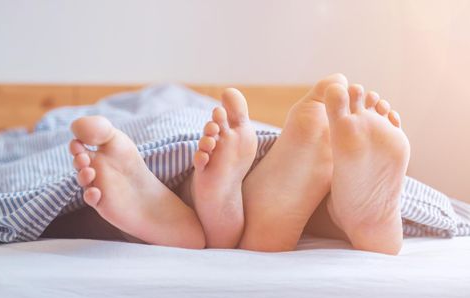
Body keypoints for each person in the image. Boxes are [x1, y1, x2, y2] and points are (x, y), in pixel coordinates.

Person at [68, 74, 409, 255]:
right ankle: (343, 217)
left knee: (197, 157)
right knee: (205, 156)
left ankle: (202, 204)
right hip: (246, 151)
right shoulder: (169, 105)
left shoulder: (152, 106)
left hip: (214, 147)